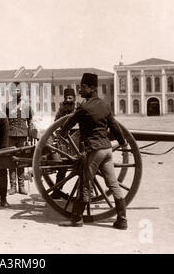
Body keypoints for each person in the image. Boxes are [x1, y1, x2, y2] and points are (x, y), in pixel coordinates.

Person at [58, 73, 128, 230]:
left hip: (94, 150)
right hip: (107, 151)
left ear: (92, 88)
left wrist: (62, 132)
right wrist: (122, 144)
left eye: (83, 87)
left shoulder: (84, 107)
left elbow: (70, 121)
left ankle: (76, 219)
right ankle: (122, 220)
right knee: (114, 185)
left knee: (85, 183)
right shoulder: (105, 105)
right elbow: (115, 127)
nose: (80, 90)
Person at [6, 82, 33, 195]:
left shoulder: (26, 106)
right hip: (11, 136)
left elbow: (30, 120)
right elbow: (5, 121)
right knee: (12, 160)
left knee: (21, 160)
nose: (16, 93)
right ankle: (13, 186)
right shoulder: (7, 105)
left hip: (22, 135)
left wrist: (30, 134)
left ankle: (21, 186)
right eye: (14, 91)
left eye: (18, 90)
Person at [51, 88, 76, 199]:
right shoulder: (61, 108)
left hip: (76, 140)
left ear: (74, 98)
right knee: (62, 167)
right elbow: (56, 122)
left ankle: (87, 192)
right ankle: (57, 191)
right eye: (66, 98)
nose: (68, 99)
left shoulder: (78, 108)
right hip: (64, 140)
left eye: (70, 97)